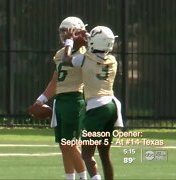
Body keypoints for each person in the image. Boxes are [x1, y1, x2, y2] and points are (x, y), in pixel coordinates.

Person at [62, 26, 122, 180]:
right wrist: (88, 36)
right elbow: (99, 44)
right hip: (112, 107)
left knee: (87, 154)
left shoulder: (85, 59)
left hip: (97, 108)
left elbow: (66, 59)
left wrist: (69, 40)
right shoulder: (113, 60)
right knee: (104, 155)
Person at [33, 17, 87, 180]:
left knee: (70, 144)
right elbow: (56, 80)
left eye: (68, 30)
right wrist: (41, 99)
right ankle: (69, 178)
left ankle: (85, 177)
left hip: (75, 99)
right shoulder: (59, 54)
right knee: (64, 145)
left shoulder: (86, 53)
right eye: (62, 30)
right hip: (60, 101)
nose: (64, 34)